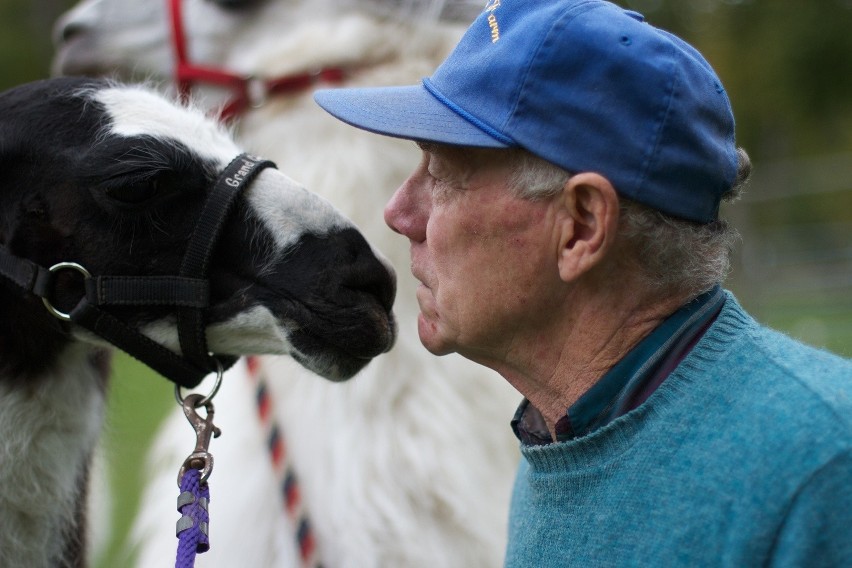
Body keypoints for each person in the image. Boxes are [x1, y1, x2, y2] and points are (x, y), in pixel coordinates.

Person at [314, 0, 852, 565]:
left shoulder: (821, 469)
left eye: (444, 174)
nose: (399, 213)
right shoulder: (562, 440)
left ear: (582, 226)